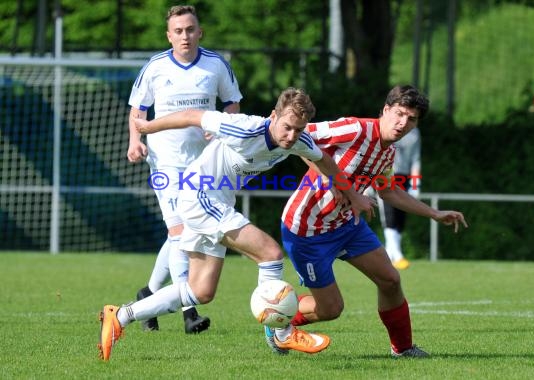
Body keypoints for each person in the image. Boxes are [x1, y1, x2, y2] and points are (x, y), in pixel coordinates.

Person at [98, 87, 373, 361]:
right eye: (287, 127)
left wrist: (351, 194)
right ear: (273, 115)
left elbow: (323, 160)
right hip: (199, 195)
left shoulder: (299, 139)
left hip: (216, 202)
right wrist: (147, 126)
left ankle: (121, 315)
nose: (291, 136)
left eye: (298, 130)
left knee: (200, 291)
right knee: (270, 254)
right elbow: (191, 115)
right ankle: (279, 334)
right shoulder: (245, 128)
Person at [280, 85, 468, 358]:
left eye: (412, 119)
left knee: (390, 280)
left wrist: (433, 213)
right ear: (385, 110)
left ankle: (402, 349)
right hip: (307, 229)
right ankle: (280, 320)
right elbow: (300, 137)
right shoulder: (355, 129)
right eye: (400, 114)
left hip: (346, 226)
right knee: (331, 310)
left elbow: (388, 190)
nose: (403, 123)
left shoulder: (388, 153)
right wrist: (342, 186)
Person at [126, 5, 243, 334]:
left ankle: (148, 293)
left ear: (199, 32)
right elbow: (138, 109)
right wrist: (135, 141)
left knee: (179, 234)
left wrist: (222, 127)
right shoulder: (156, 67)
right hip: (165, 162)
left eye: (190, 29)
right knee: (180, 235)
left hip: (203, 163)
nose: (184, 36)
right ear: (169, 35)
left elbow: (231, 102)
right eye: (178, 31)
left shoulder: (215, 65)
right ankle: (189, 311)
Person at [372, 127, 422, 270]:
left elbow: (415, 159)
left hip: (404, 176)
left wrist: (415, 184)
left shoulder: (415, 133)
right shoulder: (386, 129)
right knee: (389, 215)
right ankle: (398, 255)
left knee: (400, 217)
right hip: (385, 174)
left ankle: (389, 255)